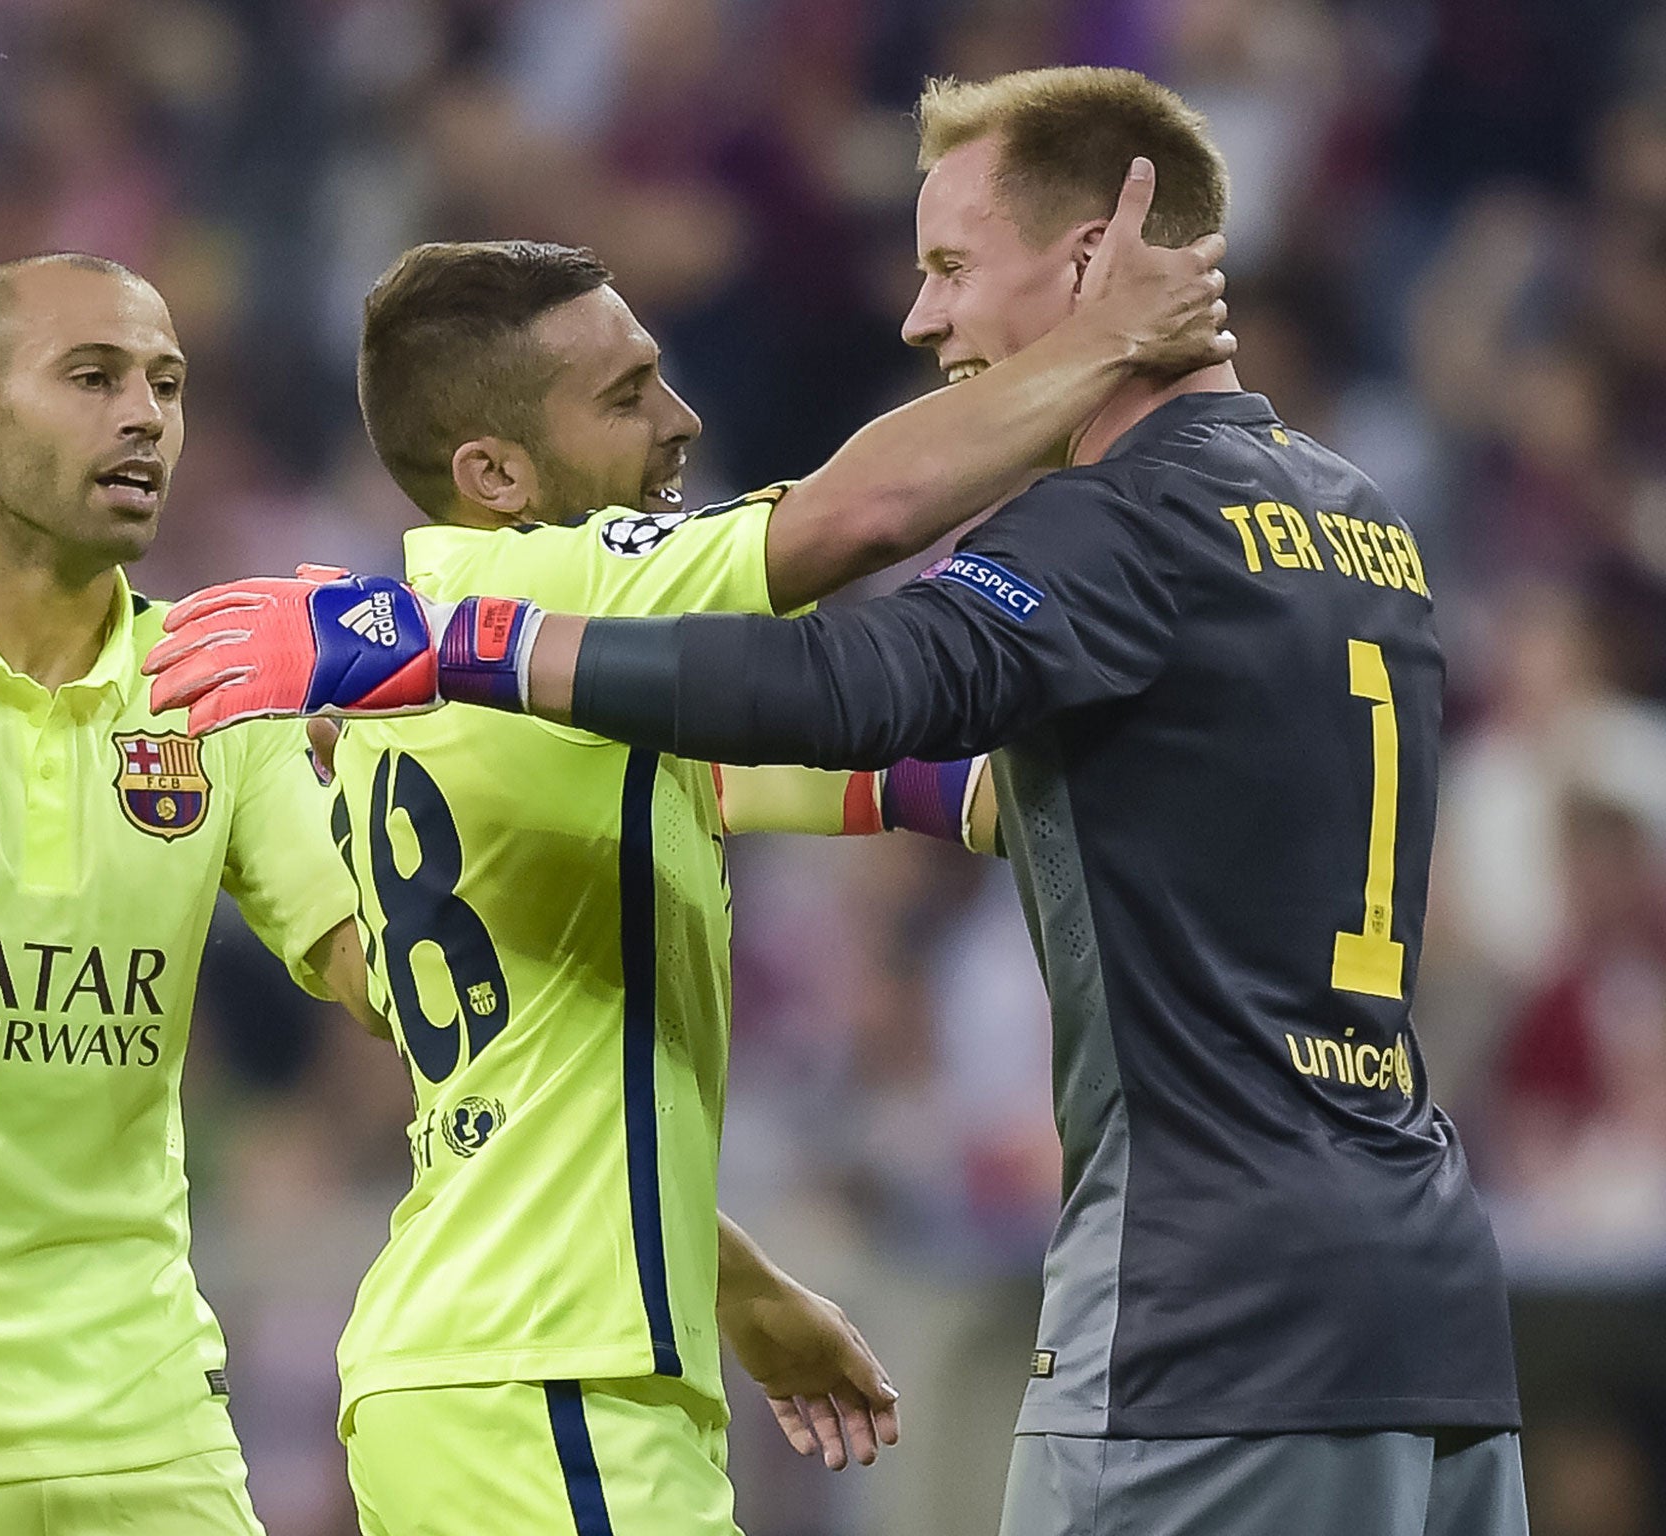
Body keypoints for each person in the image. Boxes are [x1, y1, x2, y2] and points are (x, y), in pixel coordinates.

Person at [146, 68, 1528, 1536]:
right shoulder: (1359, 518)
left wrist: (440, 645)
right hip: (1425, 1299)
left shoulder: (1114, 527)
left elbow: (850, 672)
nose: (921, 320)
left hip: (1203, 1309)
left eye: (947, 267)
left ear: (1090, 263)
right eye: (631, 393)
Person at [0, 251, 951, 1535]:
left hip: (142, 1430)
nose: (143, 415)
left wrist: (728, 1274)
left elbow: (447, 1021)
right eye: (91, 377)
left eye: (168, 382)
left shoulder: (212, 687)